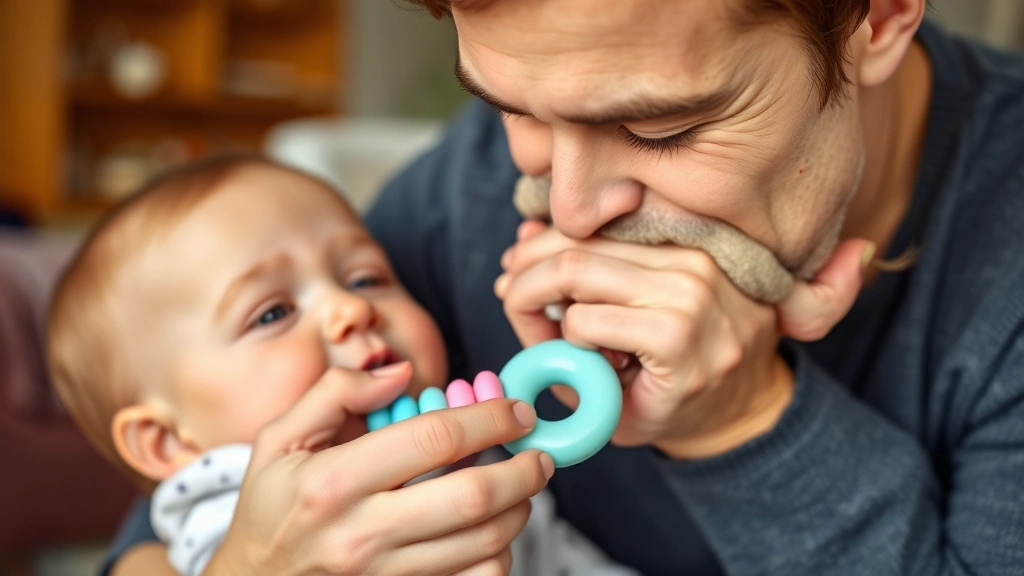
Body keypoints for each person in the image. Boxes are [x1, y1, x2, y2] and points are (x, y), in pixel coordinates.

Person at [98, 0, 1024, 574]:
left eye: (663, 131)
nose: (571, 209)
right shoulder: (462, 197)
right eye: (514, 111)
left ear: (882, 14)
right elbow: (190, 494)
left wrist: (744, 424)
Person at [47, 156, 636, 576]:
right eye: (273, 313)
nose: (350, 308)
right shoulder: (227, 518)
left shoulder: (486, 461)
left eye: (366, 278)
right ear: (168, 440)